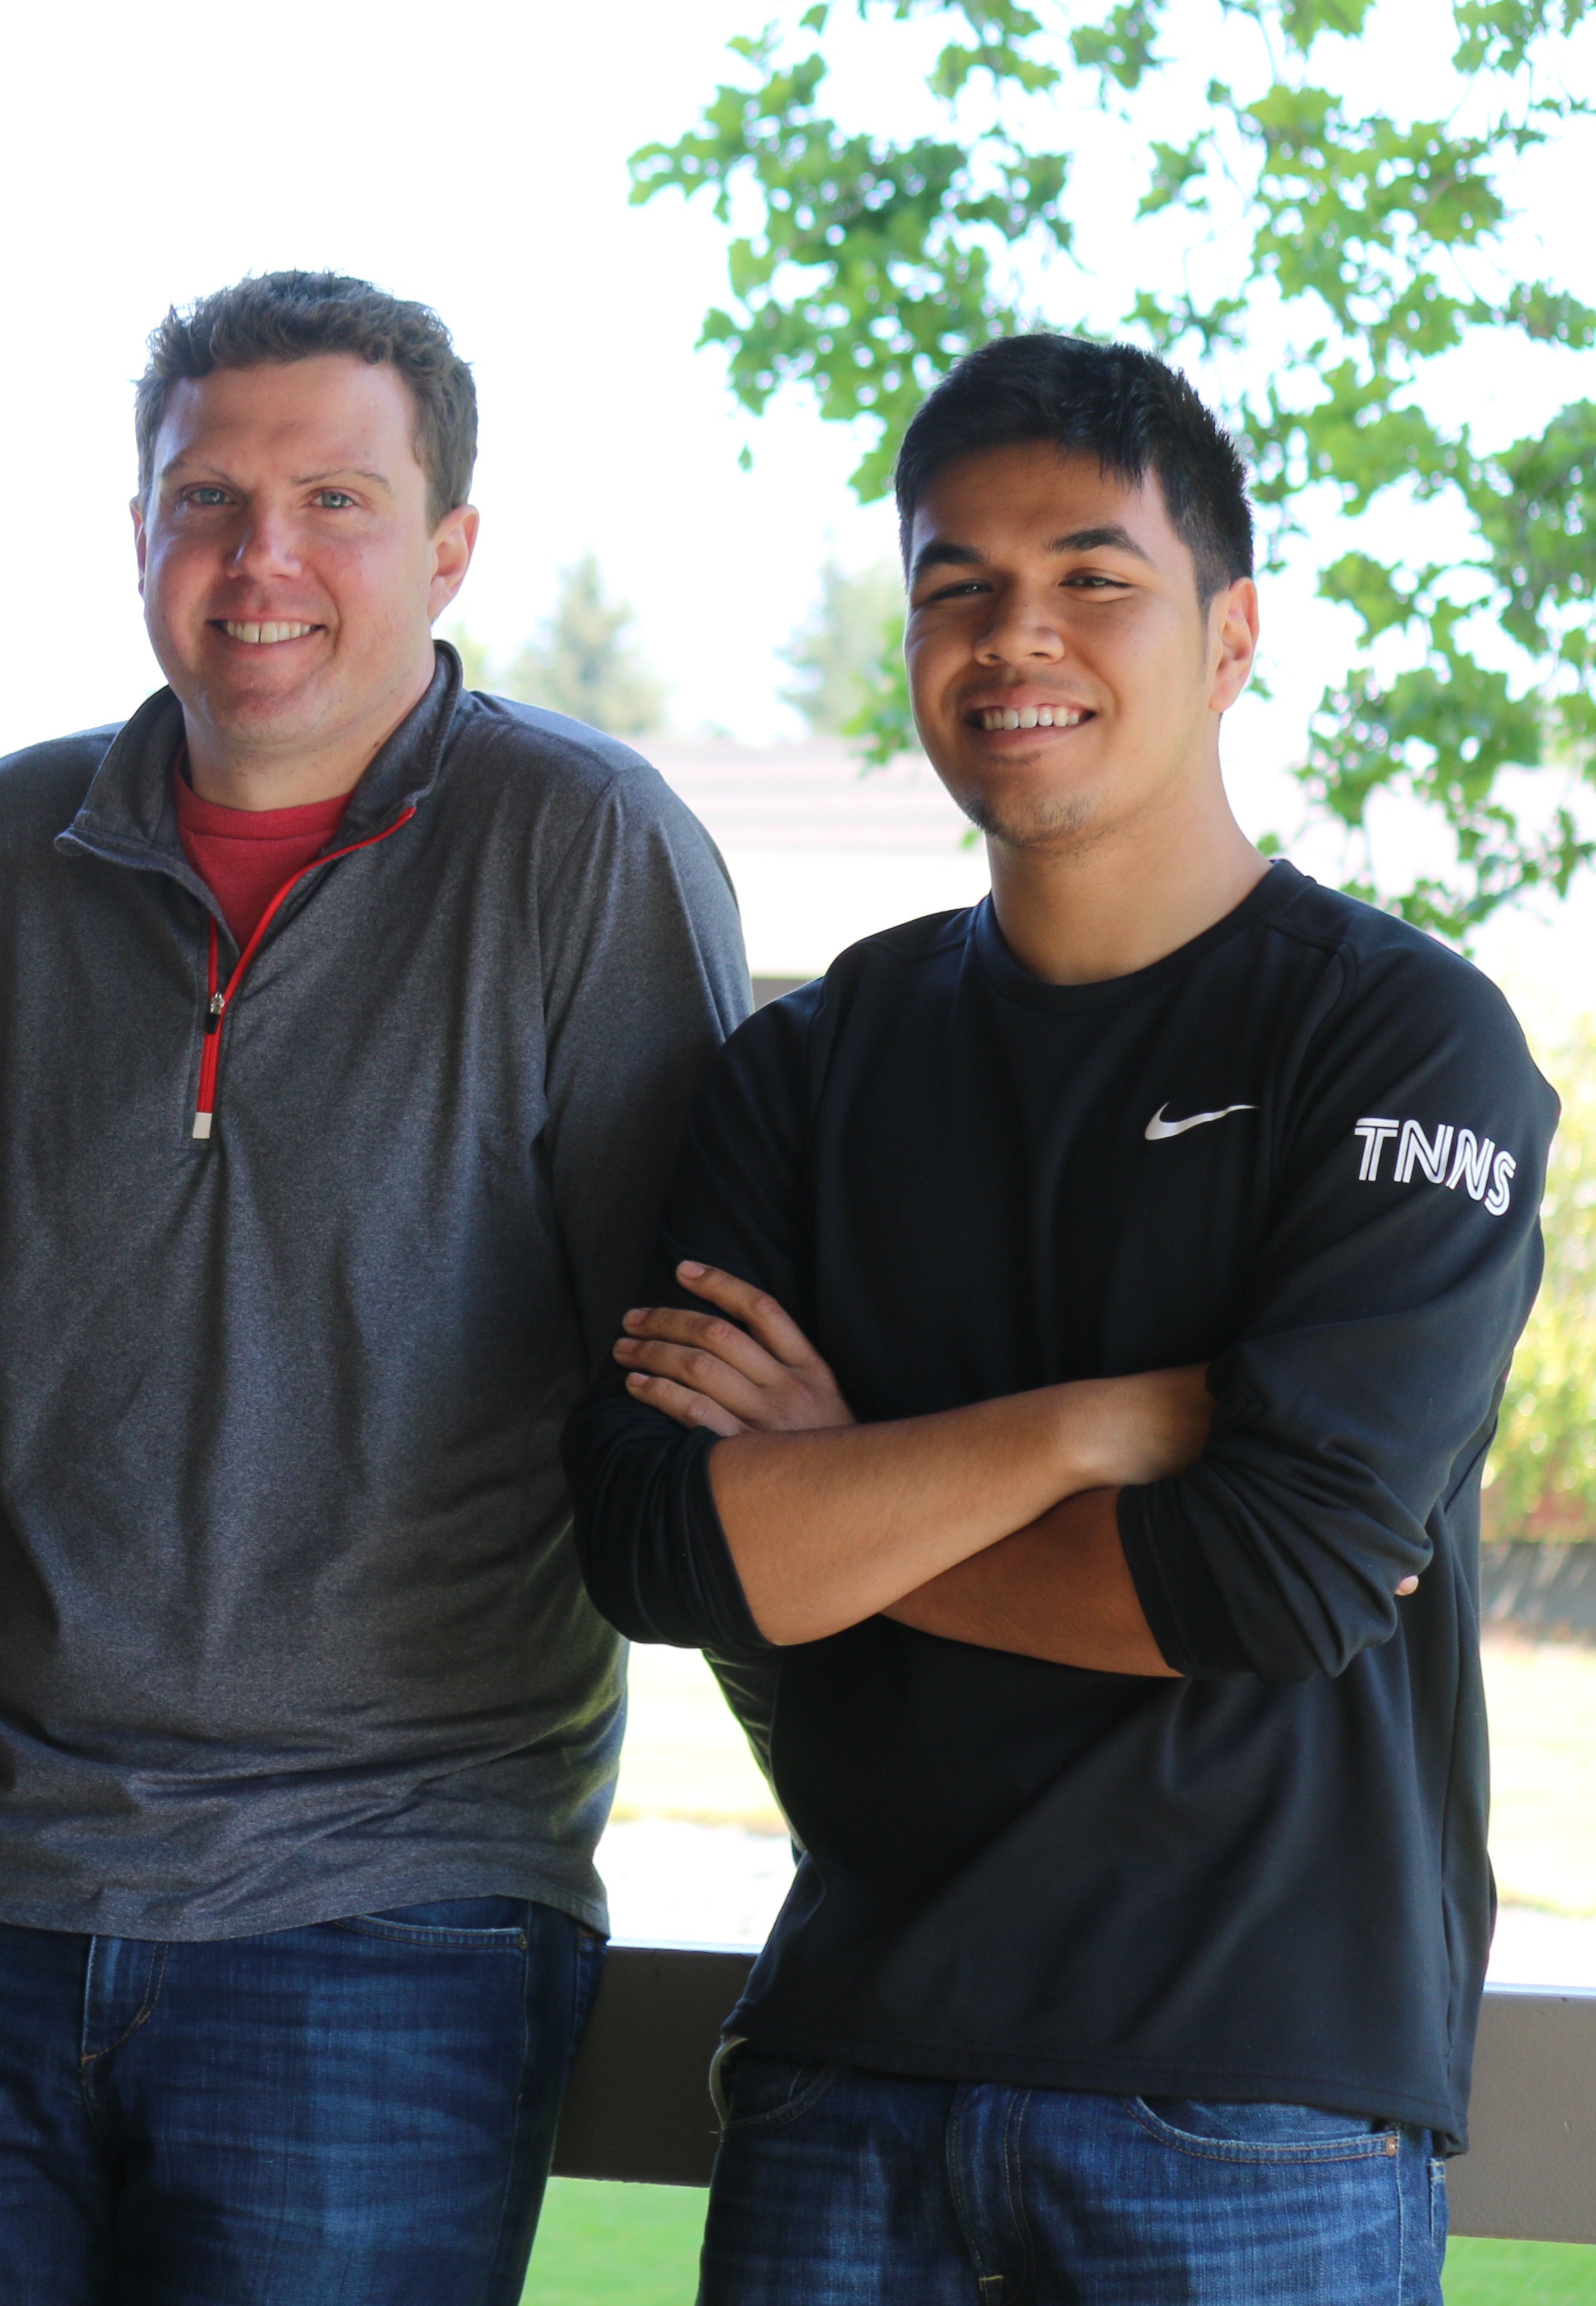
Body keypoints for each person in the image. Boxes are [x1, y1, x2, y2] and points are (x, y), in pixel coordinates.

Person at [564, 334, 1555, 2303]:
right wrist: (1087, 1429)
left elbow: (1282, 1574)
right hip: (847, 2078)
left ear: (1232, 634)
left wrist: (835, 1512)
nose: (1019, 636)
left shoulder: (1399, 1038)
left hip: (1256, 2105)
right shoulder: (810, 1063)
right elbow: (663, 1546)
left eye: (1095, 577)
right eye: (959, 587)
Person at [0, 270, 750, 2305]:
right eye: (208, 497)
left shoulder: (584, 852)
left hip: (389, 1920)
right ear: (138, 531)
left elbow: (682, 1394)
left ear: (452, 546)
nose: (264, 560)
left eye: (336, 498)